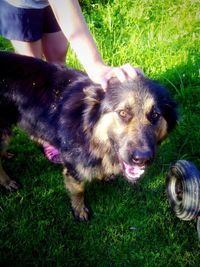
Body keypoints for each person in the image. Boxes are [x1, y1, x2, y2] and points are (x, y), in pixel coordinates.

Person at [0, 0, 142, 163]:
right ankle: (45, 135)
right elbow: (64, 6)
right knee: (33, 73)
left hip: (46, 3)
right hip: (20, 4)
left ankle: (58, 117)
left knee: (58, 60)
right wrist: (96, 66)